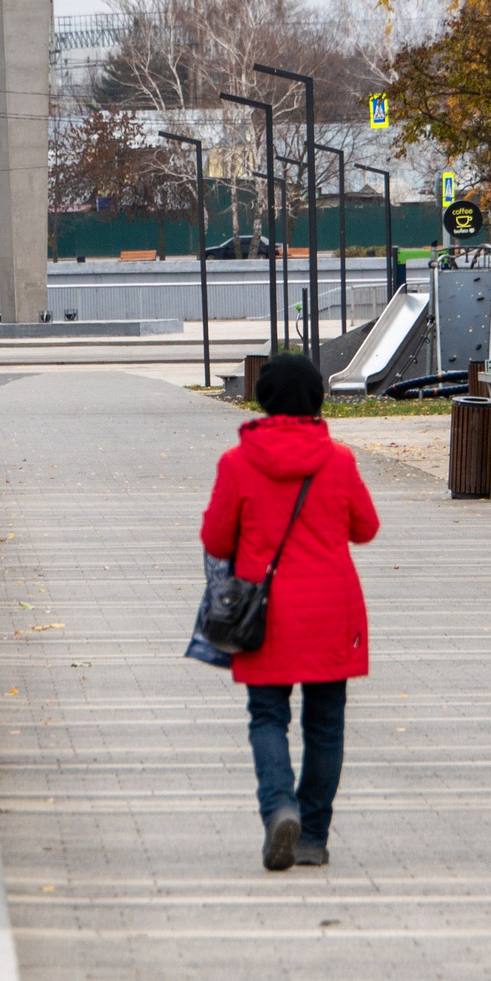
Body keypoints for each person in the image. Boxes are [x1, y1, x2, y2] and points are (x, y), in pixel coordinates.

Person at [200, 351, 379, 871]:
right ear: (318, 399)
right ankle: (313, 836)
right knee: (326, 725)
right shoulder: (339, 460)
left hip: (266, 612)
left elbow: (215, 537)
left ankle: (279, 807)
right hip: (331, 611)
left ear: (264, 399)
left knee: (268, 716)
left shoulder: (237, 463)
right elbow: (365, 529)